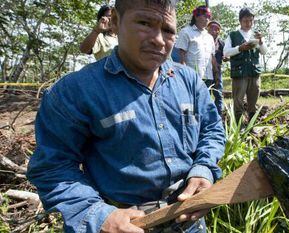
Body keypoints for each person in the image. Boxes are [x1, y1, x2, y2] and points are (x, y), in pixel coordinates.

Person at [27, 0, 226, 232]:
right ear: (115, 22)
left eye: (168, 30)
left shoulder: (189, 81)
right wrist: (97, 215)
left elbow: (211, 129)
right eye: (144, 23)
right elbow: (52, 167)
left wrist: (203, 169)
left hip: (189, 221)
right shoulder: (74, 92)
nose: (159, 40)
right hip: (122, 225)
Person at [223, 7, 267, 123]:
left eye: (250, 21)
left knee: (253, 100)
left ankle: (251, 125)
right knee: (238, 100)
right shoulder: (233, 35)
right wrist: (239, 48)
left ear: (253, 21)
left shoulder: (256, 35)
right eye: (245, 21)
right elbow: (226, 52)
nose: (248, 23)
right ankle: (238, 126)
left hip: (254, 72)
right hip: (239, 72)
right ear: (240, 21)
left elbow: (264, 52)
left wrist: (261, 42)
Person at [175, 6, 217, 87]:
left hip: (208, 77)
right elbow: (181, 55)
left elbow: (212, 57)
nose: (207, 19)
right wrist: (184, 75)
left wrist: (216, 73)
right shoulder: (186, 32)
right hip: (191, 76)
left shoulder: (209, 37)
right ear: (196, 16)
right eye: (205, 16)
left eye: (209, 17)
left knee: (205, 99)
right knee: (191, 99)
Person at [207, 20, 225, 116]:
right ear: (208, 29)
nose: (214, 30)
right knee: (206, 94)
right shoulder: (203, 41)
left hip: (217, 73)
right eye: (212, 28)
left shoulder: (221, 43)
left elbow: (225, 55)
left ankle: (219, 117)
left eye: (217, 29)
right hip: (205, 72)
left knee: (218, 94)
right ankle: (207, 116)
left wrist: (226, 58)